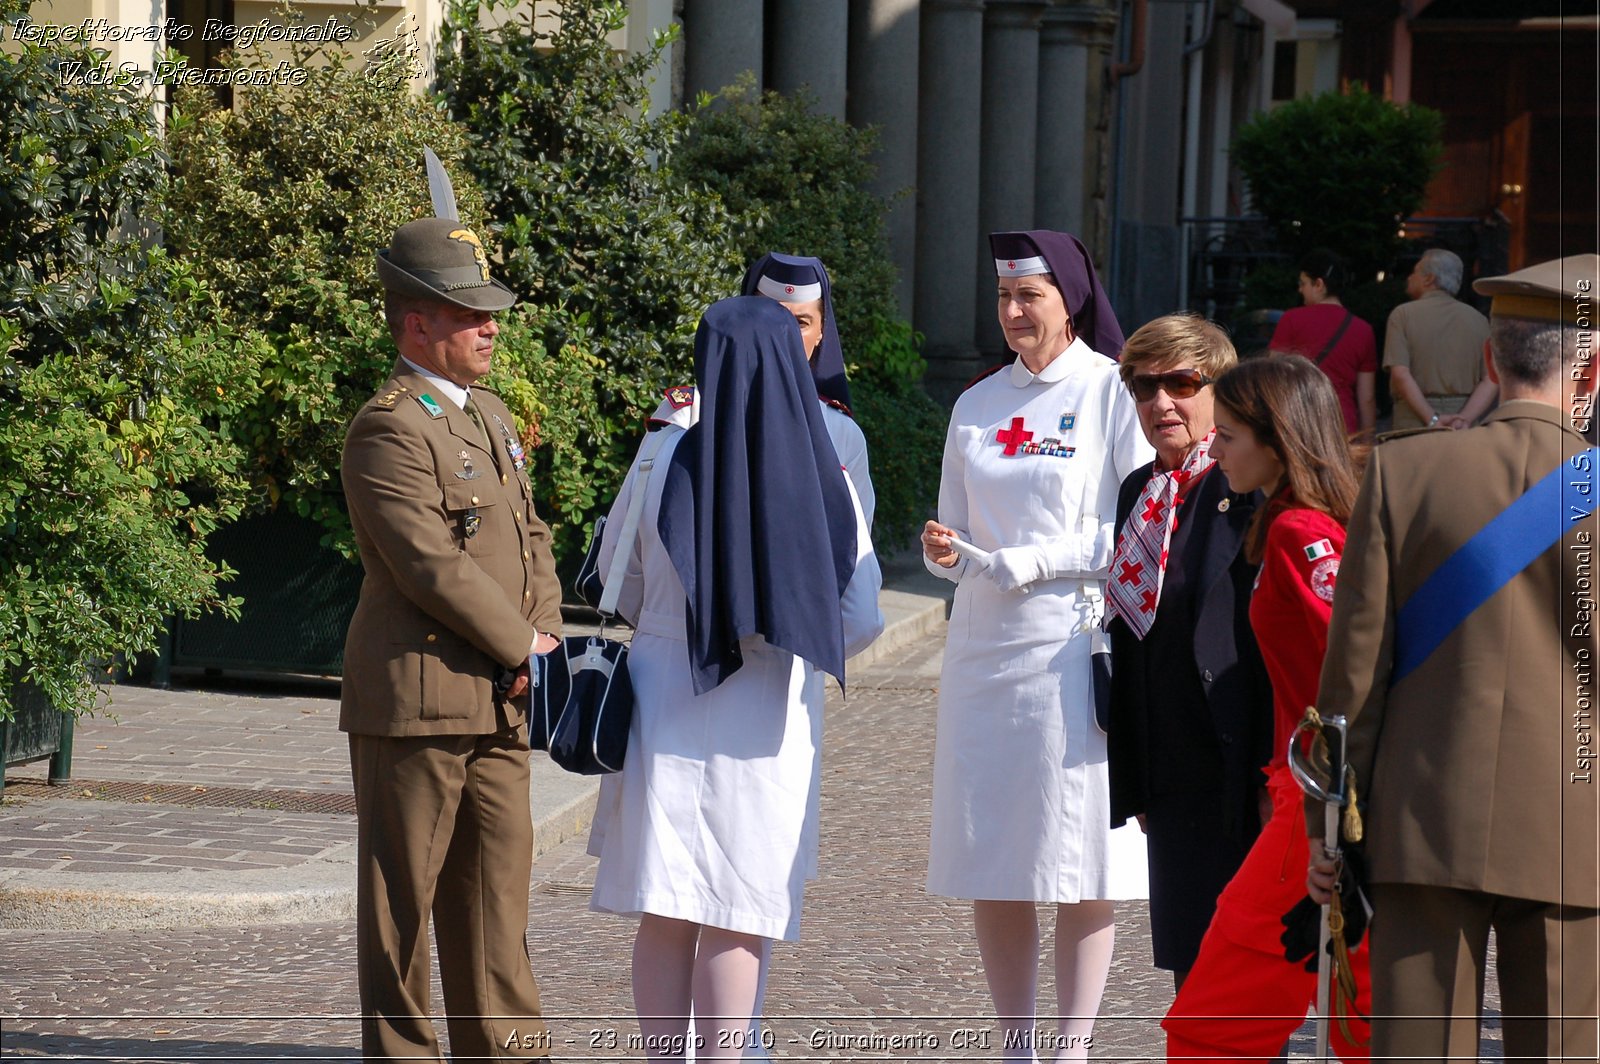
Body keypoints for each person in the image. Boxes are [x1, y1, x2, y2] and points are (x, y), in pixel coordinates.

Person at [1307, 254, 1600, 1061]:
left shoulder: (1405, 472)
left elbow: (1353, 679)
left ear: (1488, 360)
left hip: (1422, 823)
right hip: (1580, 830)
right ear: (1594, 370)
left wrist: (1328, 829)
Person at [587, 296, 883, 1063]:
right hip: (768, 704)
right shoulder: (825, 467)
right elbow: (862, 614)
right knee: (735, 906)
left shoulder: (659, 454)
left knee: (666, 905)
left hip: (663, 693)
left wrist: (668, 621)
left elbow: (614, 577)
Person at [922, 230, 1151, 1061]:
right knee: (997, 851)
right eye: (1003, 297)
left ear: (1072, 297)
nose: (1014, 312)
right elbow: (953, 525)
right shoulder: (975, 403)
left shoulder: (1111, 392)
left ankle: (1072, 1045)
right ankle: (1017, 1041)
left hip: (1070, 644)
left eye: (1031, 296)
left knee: (1082, 853)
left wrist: (1029, 561)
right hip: (984, 647)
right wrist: (943, 552)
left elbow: (1132, 527)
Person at [340, 217, 562, 1061]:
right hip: (420, 699)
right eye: (470, 314)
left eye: (490, 312)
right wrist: (522, 646)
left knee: (497, 904)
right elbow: (429, 565)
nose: (491, 326)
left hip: (502, 699)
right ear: (416, 324)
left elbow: (530, 535)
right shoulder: (389, 426)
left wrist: (540, 633)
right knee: (405, 908)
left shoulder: (492, 415)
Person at [1162, 354, 1373, 1060]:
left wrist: (1323, 827)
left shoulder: (1298, 532)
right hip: (1322, 799)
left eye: (1226, 435)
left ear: (1277, 440)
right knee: (1361, 1018)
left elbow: (1349, 684)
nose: (1212, 448)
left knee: (1211, 1027)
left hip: (1317, 804)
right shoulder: (1295, 522)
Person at [1104, 314, 1273, 991]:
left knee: (1245, 978)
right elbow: (1135, 643)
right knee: (1193, 975)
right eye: (1145, 388)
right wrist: (1138, 773)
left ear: (1219, 390)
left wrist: (1271, 778)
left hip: (1240, 770)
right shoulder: (1140, 491)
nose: (1161, 403)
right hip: (1172, 772)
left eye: (1181, 383)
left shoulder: (1249, 491)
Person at [645, 253, 874, 530]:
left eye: (801, 323)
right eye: (771, 318)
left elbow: (857, 550)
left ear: (821, 332)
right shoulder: (684, 416)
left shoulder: (842, 433)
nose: (784, 335)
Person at [1269, 249, 1377, 437]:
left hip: (1299, 423)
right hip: (1343, 425)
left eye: (1303, 283)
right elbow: (1367, 398)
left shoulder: (1291, 320)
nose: (1300, 289)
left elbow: (1273, 376)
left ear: (1319, 284)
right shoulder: (1363, 330)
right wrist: (1367, 442)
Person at [1385, 248, 1493, 430]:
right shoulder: (1479, 320)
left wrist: (1433, 419)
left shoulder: (1402, 315)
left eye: (1415, 272)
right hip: (1462, 425)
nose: (1410, 277)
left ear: (1429, 278)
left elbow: (1400, 374)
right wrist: (1464, 419)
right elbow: (1490, 379)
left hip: (1413, 421)